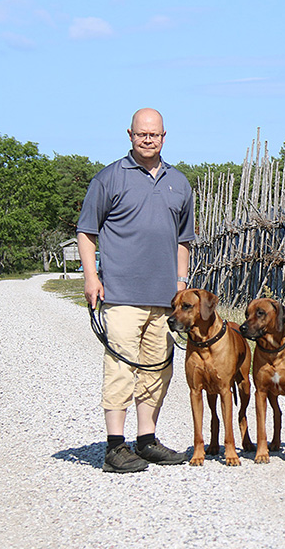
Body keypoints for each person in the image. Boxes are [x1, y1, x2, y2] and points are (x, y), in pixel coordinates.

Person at [76, 108, 195, 473]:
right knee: (120, 368)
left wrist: (180, 283)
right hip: (122, 293)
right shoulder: (109, 178)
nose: (148, 140)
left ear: (164, 136)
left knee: (158, 368)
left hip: (164, 299)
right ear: (130, 135)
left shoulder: (180, 183)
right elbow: (86, 232)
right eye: (142, 134)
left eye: (154, 134)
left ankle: (146, 441)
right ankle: (115, 447)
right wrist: (91, 277)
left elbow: (184, 240)